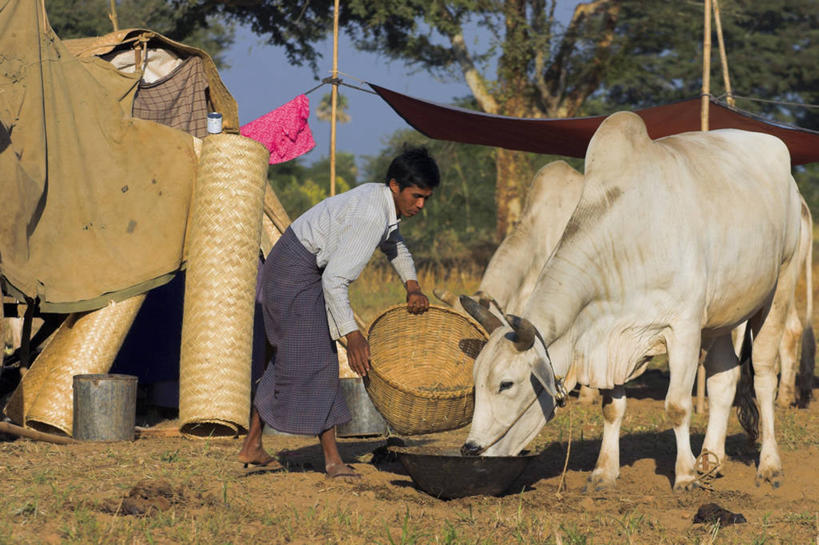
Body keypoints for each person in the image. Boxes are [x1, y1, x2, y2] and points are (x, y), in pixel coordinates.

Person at [238, 146, 440, 478]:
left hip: (296, 268)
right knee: (321, 359)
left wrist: (413, 285)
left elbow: (394, 244)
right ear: (395, 186)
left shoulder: (381, 204)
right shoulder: (373, 214)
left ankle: (252, 445)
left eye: (426, 199)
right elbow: (334, 280)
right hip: (294, 273)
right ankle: (332, 460)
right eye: (416, 196)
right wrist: (354, 336)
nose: (420, 205)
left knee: (288, 357)